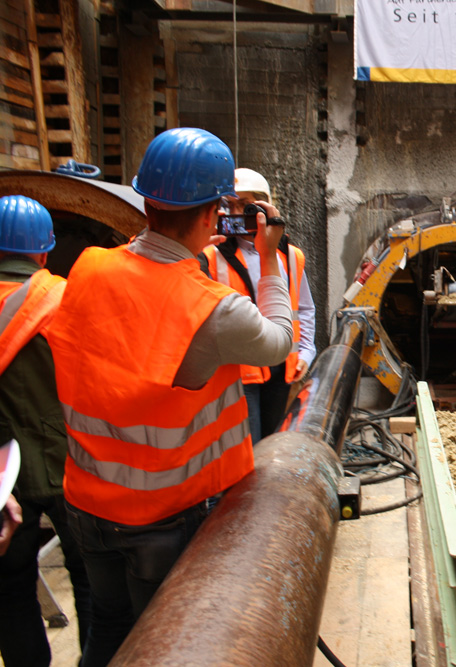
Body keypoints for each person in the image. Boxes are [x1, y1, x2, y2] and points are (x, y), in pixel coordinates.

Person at [46, 128, 293, 667]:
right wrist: (270, 259)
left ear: (146, 199)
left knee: (109, 629)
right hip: (164, 517)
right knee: (169, 646)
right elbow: (279, 343)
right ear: (212, 217)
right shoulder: (213, 309)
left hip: (87, 503)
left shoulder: (87, 268)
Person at [0, 195, 92, 667]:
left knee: (12, 591)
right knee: (90, 580)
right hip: (70, 463)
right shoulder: (64, 297)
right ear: (42, 251)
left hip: (3, 478)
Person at [200, 167, 316, 443]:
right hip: (240, 371)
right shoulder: (211, 254)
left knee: (276, 442)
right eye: (230, 205)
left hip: (282, 367)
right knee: (248, 446)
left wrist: (306, 352)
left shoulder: (290, 255)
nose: (238, 212)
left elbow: (305, 308)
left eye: (246, 205)